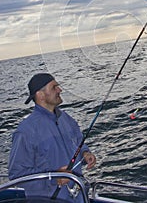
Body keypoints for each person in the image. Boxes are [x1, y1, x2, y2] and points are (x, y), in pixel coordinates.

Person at [8, 73, 96, 202]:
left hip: (79, 195)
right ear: (40, 95)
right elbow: (17, 175)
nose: (60, 90)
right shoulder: (26, 131)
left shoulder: (66, 118)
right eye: (54, 87)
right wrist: (53, 178)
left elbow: (78, 142)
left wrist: (85, 153)